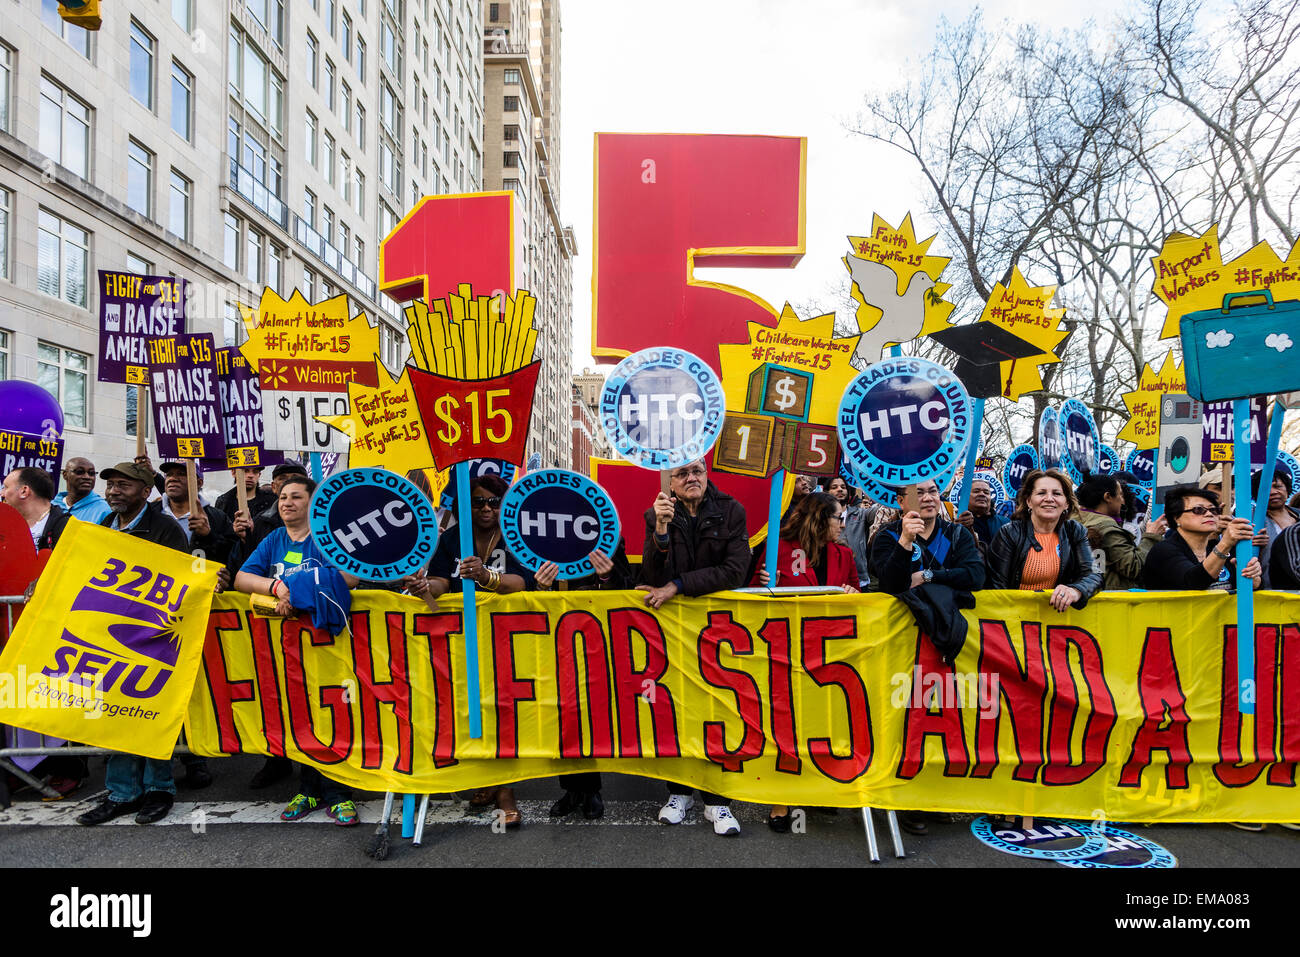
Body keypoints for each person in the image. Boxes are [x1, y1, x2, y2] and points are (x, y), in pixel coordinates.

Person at [233, 474, 362, 825]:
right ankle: (307, 788)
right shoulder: (273, 538)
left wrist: (296, 589)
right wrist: (275, 586)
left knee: (333, 715)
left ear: (312, 503)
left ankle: (339, 792)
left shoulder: (327, 539)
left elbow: (349, 577)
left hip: (329, 647)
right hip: (287, 649)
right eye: (283, 497)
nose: (286, 502)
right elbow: (242, 578)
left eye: (296, 497)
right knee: (299, 714)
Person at [408, 473, 530, 827]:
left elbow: (524, 581)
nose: (487, 508)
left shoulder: (514, 534)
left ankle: (506, 791)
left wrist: (487, 578)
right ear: (465, 505)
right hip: (463, 637)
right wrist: (424, 584)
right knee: (468, 709)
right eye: (478, 501)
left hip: (509, 637)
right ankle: (484, 780)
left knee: (502, 711)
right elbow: (443, 582)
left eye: (494, 501)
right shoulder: (451, 539)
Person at [638, 459, 749, 836]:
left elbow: (736, 570)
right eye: (682, 473)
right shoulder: (655, 515)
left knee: (718, 710)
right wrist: (662, 532)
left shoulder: (731, 511)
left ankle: (716, 801)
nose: (691, 478)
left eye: (697, 471)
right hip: (673, 633)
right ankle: (679, 792)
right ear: (671, 481)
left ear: (707, 475)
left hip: (718, 632)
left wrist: (679, 586)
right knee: (677, 710)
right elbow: (652, 577)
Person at [76, 462, 189, 826]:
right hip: (109, 639)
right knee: (117, 718)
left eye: (123, 485)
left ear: (144, 491)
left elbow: (180, 580)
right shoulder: (104, 526)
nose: (113, 491)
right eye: (110, 486)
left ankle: (159, 790)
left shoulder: (165, 529)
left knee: (149, 716)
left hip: (152, 641)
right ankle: (122, 793)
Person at [750, 492, 858, 832]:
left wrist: (854, 595)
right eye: (837, 517)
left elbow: (857, 593)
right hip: (788, 650)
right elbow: (753, 595)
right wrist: (762, 583)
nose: (842, 524)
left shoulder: (845, 553)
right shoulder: (776, 549)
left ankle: (817, 788)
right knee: (786, 723)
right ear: (819, 517)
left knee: (824, 720)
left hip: (830, 652)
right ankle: (781, 798)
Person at [534, 542, 634, 822]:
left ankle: (591, 790)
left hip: (595, 639)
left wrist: (606, 577)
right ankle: (571, 790)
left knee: (588, 714)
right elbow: (525, 593)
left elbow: (628, 585)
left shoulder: (607, 534)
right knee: (561, 714)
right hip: (551, 639)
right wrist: (541, 588)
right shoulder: (535, 534)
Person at [986, 469, 1102, 610]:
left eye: (1057, 493)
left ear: (1066, 503)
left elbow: (1096, 573)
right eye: (1041, 493)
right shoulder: (1009, 533)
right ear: (1029, 501)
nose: (1049, 498)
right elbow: (997, 587)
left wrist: (1076, 590)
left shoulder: (1075, 531)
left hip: (1055, 618)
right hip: (1014, 618)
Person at [1140, 486, 1262, 592]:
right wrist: (1225, 543)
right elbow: (1193, 582)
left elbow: (1245, 588)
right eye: (1198, 510)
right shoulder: (1163, 551)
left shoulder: (1219, 547)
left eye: (1214, 510)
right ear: (1176, 517)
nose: (1209, 514)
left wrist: (1253, 579)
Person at [1075, 471, 1165, 589]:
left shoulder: (1077, 521)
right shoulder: (1106, 528)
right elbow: (1134, 567)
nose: (1123, 501)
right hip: (1112, 599)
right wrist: (1151, 536)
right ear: (1108, 497)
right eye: (1120, 495)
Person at [1, 467, 72, 550]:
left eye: (5, 487)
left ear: (24, 491)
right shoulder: (5, 524)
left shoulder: (66, 528)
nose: (2, 494)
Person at [1251, 467, 1298, 588]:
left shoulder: (1298, 514)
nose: (1273, 492)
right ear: (1256, 494)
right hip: (1269, 591)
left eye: (1277, 486)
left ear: (1287, 489)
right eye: (1265, 488)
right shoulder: (1249, 519)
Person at [956, 478, 1010, 553]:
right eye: (976, 491)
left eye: (986, 492)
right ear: (965, 496)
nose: (982, 494)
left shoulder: (1005, 523)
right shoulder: (955, 520)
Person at [53, 457, 112, 524]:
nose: (87, 477)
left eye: (91, 473)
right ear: (65, 475)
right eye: (79, 472)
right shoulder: (52, 506)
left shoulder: (105, 511)